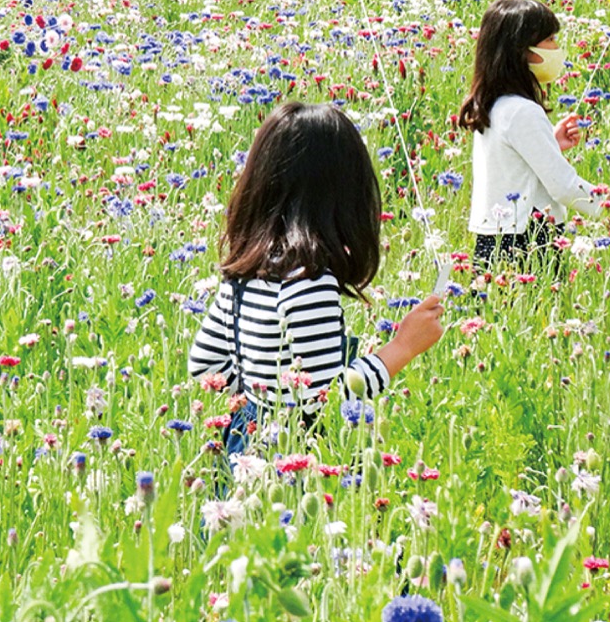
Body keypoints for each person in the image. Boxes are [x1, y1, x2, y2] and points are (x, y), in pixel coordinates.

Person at [187, 102, 444, 455]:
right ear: (341, 196)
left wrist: (256, 409)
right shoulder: (309, 281)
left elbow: (203, 364)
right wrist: (404, 346)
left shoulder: (245, 271)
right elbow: (325, 397)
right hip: (294, 461)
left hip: (245, 446)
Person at [457, 0, 610, 269]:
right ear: (523, 50)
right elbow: (563, 186)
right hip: (527, 239)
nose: (557, 48)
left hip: (492, 238)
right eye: (550, 40)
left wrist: (550, 144)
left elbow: (512, 167)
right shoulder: (524, 111)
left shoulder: (494, 106)